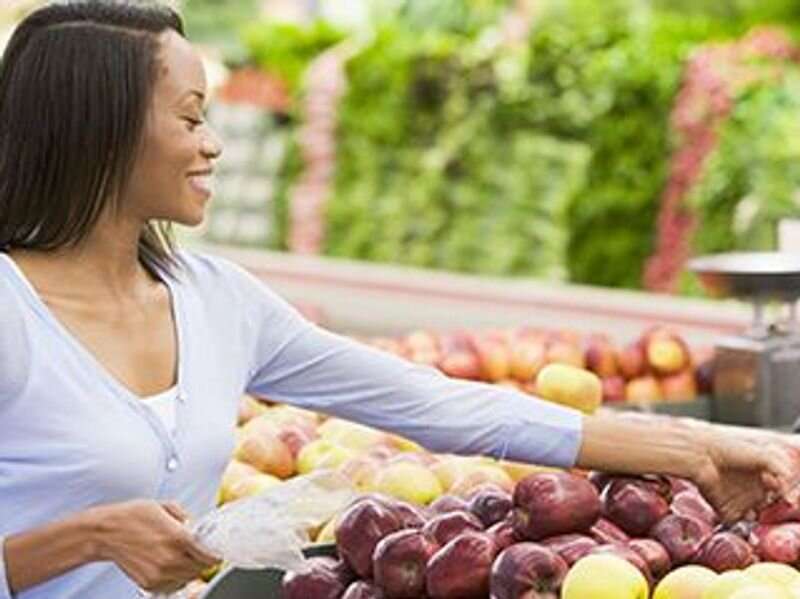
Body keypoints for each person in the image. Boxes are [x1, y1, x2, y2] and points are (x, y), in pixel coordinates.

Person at [0, 2, 792, 598]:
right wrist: (84, 538)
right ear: (100, 131)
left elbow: (443, 405)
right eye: (190, 116)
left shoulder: (217, 303)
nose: (213, 142)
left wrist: (693, 446)